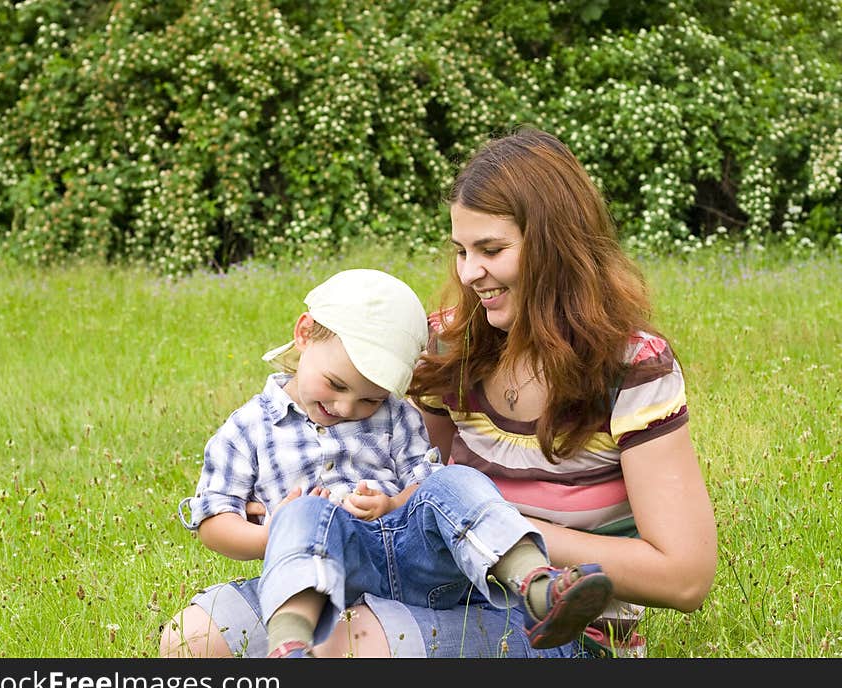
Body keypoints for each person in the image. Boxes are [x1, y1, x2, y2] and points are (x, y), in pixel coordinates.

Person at [160, 126, 717, 659]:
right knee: (194, 640)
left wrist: (501, 532)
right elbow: (397, 484)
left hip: (555, 630)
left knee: (348, 643)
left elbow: (686, 577)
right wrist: (291, 514)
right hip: (419, 582)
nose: (471, 271)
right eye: (460, 250)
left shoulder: (631, 367)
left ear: (556, 248)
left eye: (492, 250)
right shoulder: (448, 344)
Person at [166, 267, 613, 659]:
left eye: (369, 398)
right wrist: (275, 533)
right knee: (303, 513)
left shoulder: (397, 418)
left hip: (412, 566)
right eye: (336, 384)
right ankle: (290, 643)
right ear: (304, 334)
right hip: (316, 579)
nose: (345, 407)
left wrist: (393, 502)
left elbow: (427, 492)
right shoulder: (248, 429)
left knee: (455, 480)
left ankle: (537, 584)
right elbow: (213, 521)